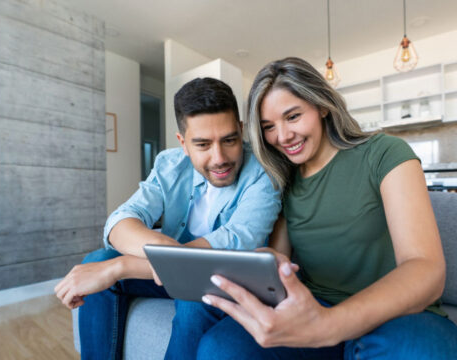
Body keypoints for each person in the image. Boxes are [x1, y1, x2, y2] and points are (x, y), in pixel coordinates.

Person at [183, 57, 457, 359]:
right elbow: (279, 257)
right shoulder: (284, 180)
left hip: (399, 315)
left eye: (293, 116)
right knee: (219, 347)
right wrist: (262, 261)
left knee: (418, 352)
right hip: (316, 308)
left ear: (322, 105)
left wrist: (330, 324)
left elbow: (426, 269)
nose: (283, 136)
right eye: (269, 127)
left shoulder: (384, 153)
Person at [54, 77, 281, 360]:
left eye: (229, 140)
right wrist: (166, 254)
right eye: (202, 144)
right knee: (96, 261)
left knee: (194, 299)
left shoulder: (263, 173)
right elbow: (122, 220)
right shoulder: (169, 164)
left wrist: (122, 266)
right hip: (167, 273)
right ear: (182, 143)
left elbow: (236, 246)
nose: (219, 157)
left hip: (223, 281)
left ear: (241, 130)